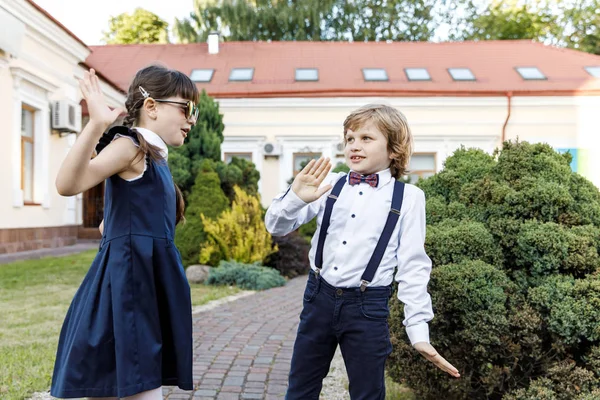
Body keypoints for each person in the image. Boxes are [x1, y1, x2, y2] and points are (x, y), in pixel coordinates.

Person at [265, 103, 460, 400]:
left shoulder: (409, 198)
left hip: (368, 308)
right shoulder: (330, 186)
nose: (354, 146)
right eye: (349, 138)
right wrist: (294, 196)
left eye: (366, 138)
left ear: (394, 149)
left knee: (367, 393)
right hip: (318, 297)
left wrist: (418, 331)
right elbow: (276, 226)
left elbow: (413, 266)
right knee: (300, 389)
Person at [51, 65, 200, 400]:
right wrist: (97, 124)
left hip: (142, 285)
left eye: (196, 111)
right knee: (136, 383)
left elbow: (109, 224)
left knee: (122, 381)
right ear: (151, 107)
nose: (192, 120)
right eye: (186, 108)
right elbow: (67, 184)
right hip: (130, 289)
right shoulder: (131, 146)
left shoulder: (156, 159)